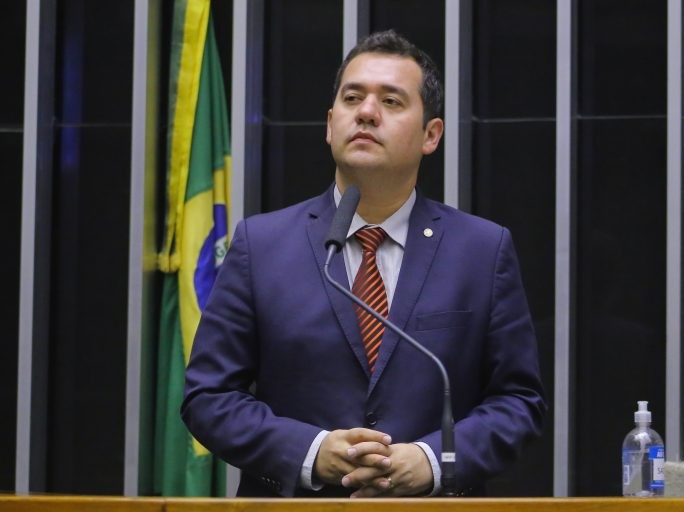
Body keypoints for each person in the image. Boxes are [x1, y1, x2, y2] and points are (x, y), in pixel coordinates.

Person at [182, 29, 545, 498]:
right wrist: (312, 450)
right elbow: (208, 398)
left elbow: (519, 402)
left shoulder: (481, 250)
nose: (367, 112)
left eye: (392, 102)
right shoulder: (262, 244)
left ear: (430, 135)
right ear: (331, 124)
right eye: (353, 98)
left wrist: (433, 461)